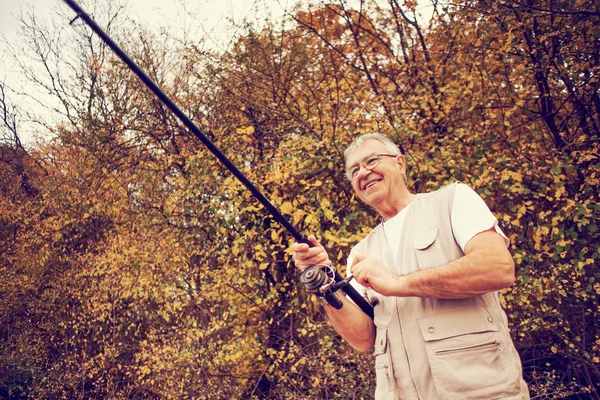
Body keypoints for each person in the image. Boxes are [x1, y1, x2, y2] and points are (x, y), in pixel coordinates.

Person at [292, 133, 529, 399]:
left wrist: (399, 283)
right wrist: (326, 282)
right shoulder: (361, 252)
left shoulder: (453, 200)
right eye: (354, 170)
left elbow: (497, 267)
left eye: (371, 160)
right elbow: (362, 338)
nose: (363, 172)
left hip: (482, 392)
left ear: (400, 164)